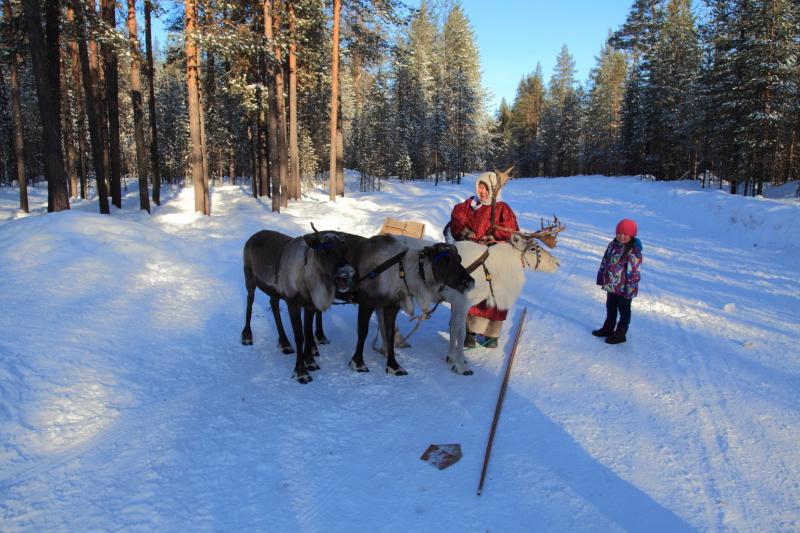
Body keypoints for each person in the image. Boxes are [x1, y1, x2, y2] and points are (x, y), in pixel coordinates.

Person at [449, 172, 519, 349]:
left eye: (487, 188)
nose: (483, 191)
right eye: (481, 186)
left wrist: (494, 237)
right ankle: (469, 332)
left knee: (495, 295)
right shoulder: (469, 205)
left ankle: (491, 334)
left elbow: (511, 232)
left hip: (494, 258)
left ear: (494, 190)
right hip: (472, 257)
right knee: (469, 292)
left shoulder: (503, 209)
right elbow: (456, 220)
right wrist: (465, 232)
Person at [592, 218, 643, 344]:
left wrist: (629, 290)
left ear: (632, 235)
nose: (622, 236)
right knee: (611, 308)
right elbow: (605, 261)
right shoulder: (612, 245)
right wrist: (601, 277)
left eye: (626, 234)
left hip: (625, 289)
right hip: (612, 286)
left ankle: (620, 334)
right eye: (619, 233)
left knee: (624, 311)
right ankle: (608, 328)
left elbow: (634, 273)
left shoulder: (633, 251)